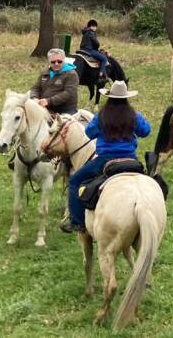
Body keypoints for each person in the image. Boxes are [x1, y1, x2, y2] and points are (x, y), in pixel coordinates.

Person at [62, 81, 151, 234]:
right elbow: (146, 131)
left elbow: (89, 133)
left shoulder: (102, 116)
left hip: (105, 159)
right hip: (130, 158)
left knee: (74, 181)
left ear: (109, 97)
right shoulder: (134, 115)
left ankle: (77, 222)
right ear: (125, 98)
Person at [29, 48, 79, 115]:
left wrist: (48, 101)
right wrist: (34, 98)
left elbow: (68, 93)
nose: (56, 63)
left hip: (64, 110)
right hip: (45, 108)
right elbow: (35, 88)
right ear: (49, 62)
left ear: (64, 60)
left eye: (59, 61)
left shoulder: (71, 74)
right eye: (53, 62)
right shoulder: (45, 72)